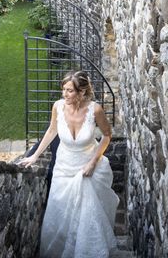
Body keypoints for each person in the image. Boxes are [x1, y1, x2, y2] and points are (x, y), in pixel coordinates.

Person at [19, 70, 119, 257]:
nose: (64, 94)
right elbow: (51, 131)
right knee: (61, 212)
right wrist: (34, 156)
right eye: (63, 89)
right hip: (63, 168)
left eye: (70, 91)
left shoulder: (95, 110)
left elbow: (107, 136)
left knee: (86, 216)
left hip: (86, 169)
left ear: (81, 92)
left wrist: (92, 163)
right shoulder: (58, 106)